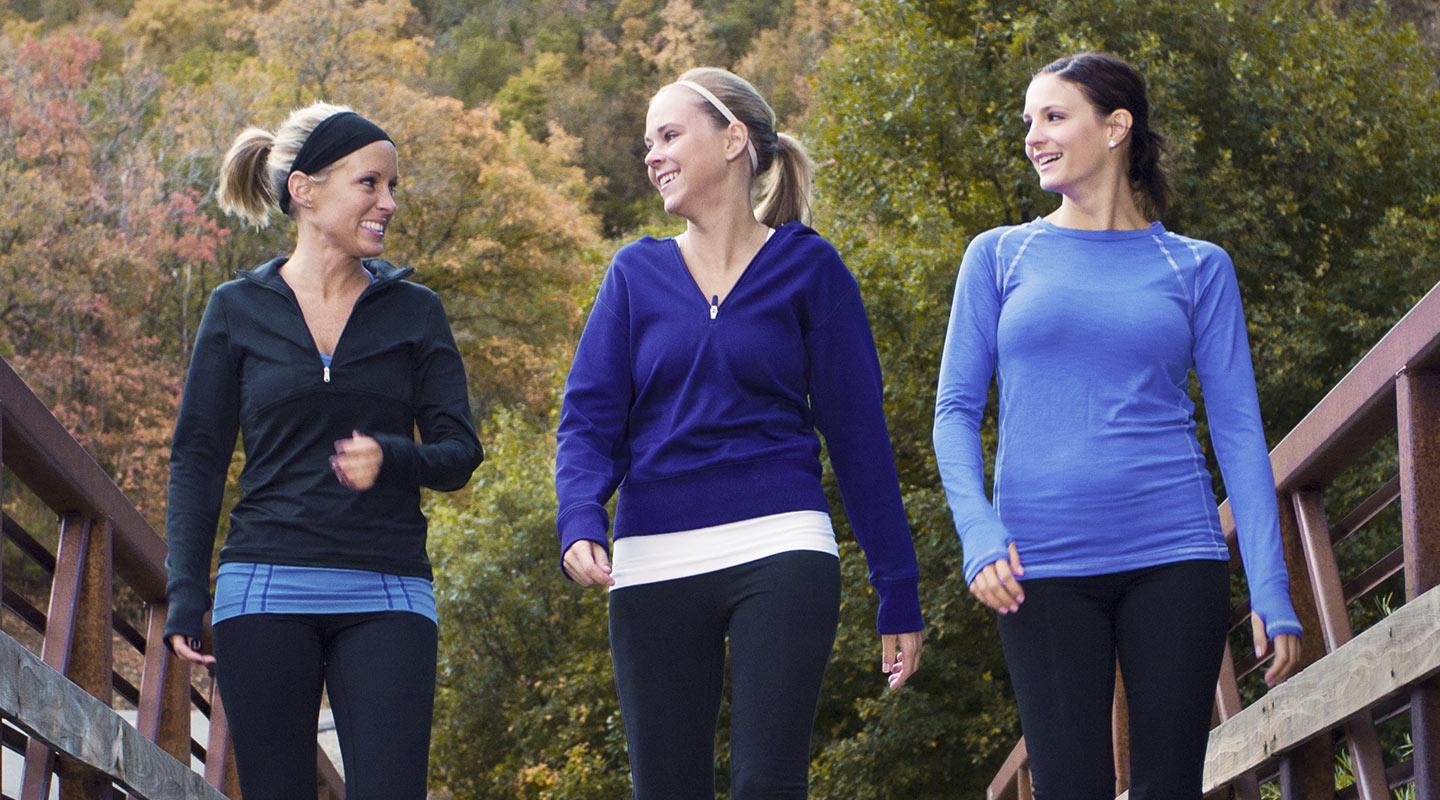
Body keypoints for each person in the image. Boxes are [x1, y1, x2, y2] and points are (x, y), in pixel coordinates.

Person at [932, 52, 1303, 800]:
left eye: (1053, 116)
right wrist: (978, 533)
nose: (1033, 135)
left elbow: (1237, 433)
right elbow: (955, 412)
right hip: (1038, 566)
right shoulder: (1000, 255)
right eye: (1028, 121)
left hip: (1175, 553)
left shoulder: (1196, 267)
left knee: (1171, 787)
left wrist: (1271, 586)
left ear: (1116, 127)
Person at [554, 67, 924, 799]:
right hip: (652, 557)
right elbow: (589, 418)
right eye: (646, 141)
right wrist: (578, 517)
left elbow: (858, 437)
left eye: (668, 134)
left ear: (732, 140)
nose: (652, 154)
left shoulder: (810, 268)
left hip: (781, 544)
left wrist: (898, 586)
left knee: (768, 782)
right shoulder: (634, 274)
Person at [163, 102, 484, 800]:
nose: (389, 203)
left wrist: (393, 455)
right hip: (263, 586)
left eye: (393, 187)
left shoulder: (415, 310)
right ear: (305, 191)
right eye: (370, 184)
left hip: (388, 588)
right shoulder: (235, 308)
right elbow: (198, 455)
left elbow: (461, 452)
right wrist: (186, 591)